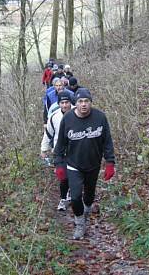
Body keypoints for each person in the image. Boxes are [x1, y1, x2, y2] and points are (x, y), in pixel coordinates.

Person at [53, 88, 115, 240]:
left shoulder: (100, 117)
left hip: (93, 164)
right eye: (80, 101)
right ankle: (80, 224)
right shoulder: (67, 118)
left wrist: (110, 163)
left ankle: (84, 212)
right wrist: (59, 164)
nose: (83, 104)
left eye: (86, 101)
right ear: (76, 103)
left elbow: (107, 142)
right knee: (74, 197)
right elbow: (60, 144)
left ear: (90, 102)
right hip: (73, 164)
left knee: (88, 196)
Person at [41, 91, 73, 210]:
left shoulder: (77, 113)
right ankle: (63, 199)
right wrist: (44, 149)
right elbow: (48, 134)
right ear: (59, 103)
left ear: (70, 102)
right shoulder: (54, 116)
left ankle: (71, 192)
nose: (65, 105)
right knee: (63, 176)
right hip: (60, 151)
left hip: (75, 151)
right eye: (62, 103)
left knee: (73, 176)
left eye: (67, 102)